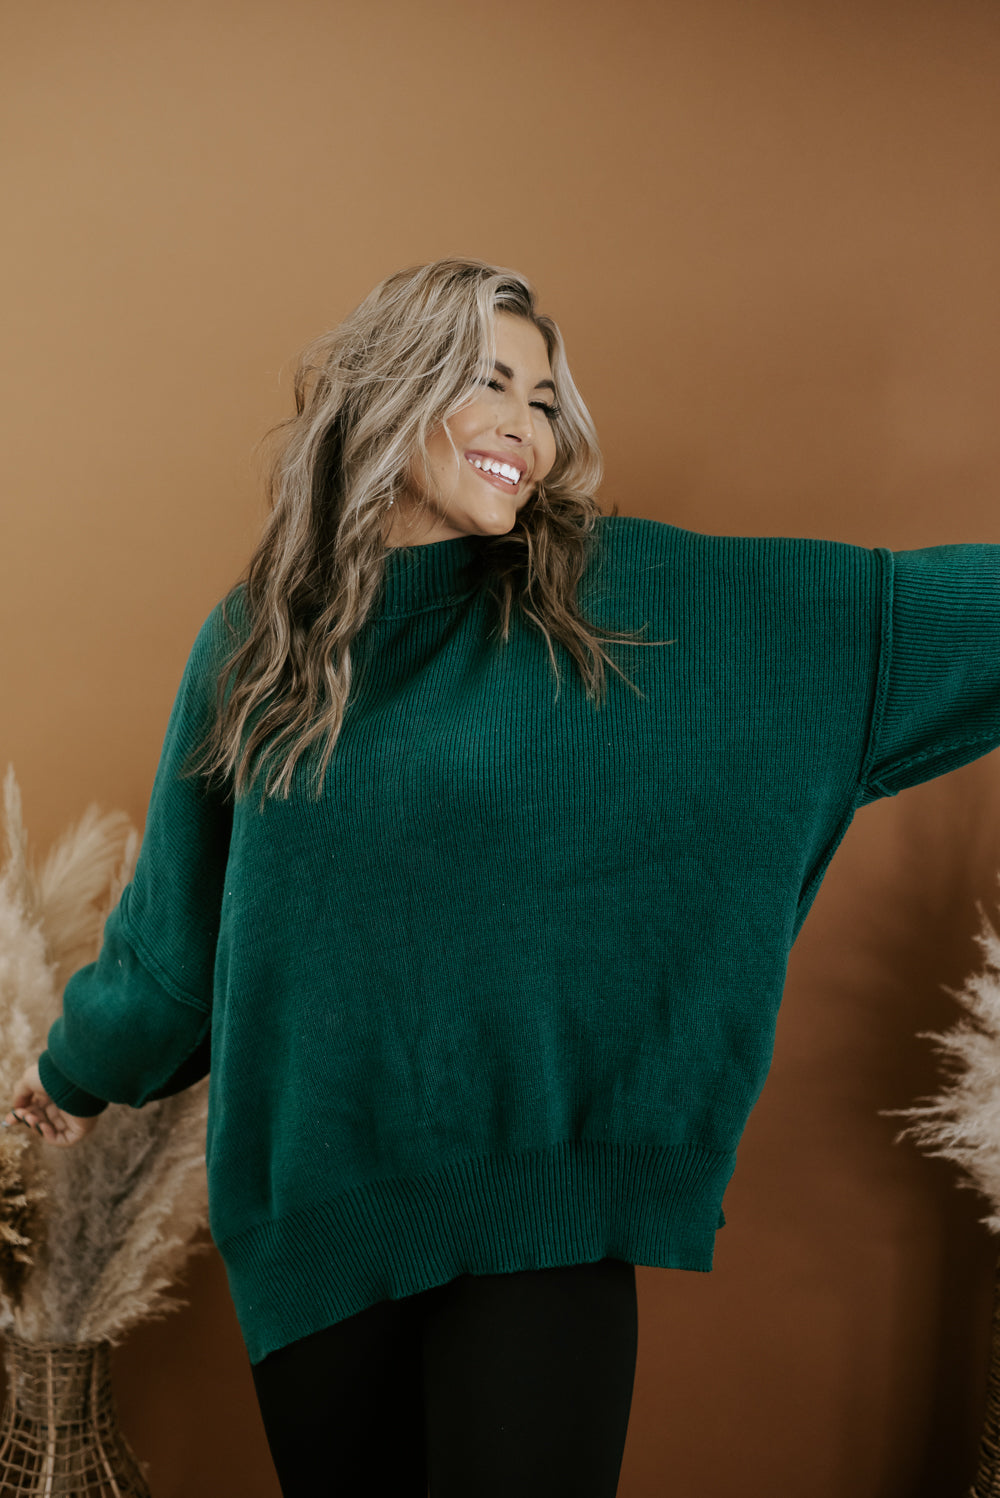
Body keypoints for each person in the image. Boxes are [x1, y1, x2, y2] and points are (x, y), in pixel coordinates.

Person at [6, 256, 1000, 1498]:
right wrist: (76, 1072)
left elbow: (898, 622)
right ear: (389, 391)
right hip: (320, 1213)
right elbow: (179, 930)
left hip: (540, 1205)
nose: (527, 427)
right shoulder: (259, 645)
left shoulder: (613, 593)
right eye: (491, 383)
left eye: (543, 400)